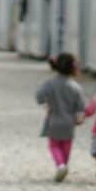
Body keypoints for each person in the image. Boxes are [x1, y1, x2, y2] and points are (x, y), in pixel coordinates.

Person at [36, 52, 86, 182]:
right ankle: (64, 165)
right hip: (69, 122)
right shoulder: (75, 87)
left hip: (54, 119)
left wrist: (45, 105)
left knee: (54, 145)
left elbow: (39, 96)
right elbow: (80, 106)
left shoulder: (49, 83)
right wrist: (80, 118)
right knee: (66, 146)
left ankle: (60, 165)